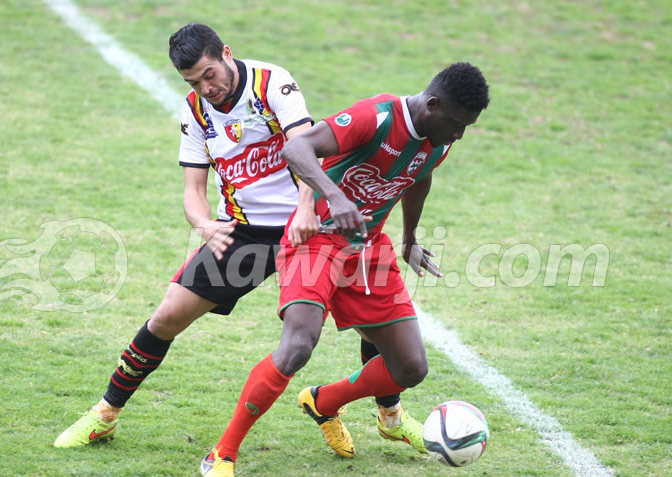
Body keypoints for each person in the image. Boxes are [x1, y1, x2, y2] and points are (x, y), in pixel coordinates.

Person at [53, 23, 424, 454]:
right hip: (243, 230)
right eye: (193, 81)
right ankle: (105, 415)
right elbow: (193, 190)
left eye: (209, 74)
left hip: (310, 227)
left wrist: (306, 209)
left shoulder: (273, 84)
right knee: (167, 317)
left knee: (373, 322)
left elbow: (305, 150)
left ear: (226, 53)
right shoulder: (195, 112)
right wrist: (204, 225)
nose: (206, 88)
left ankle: (391, 417)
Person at [200, 62, 490, 477]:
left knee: (410, 367)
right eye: (457, 123)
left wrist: (409, 238)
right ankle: (221, 455)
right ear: (433, 105)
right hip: (315, 239)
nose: (460, 134)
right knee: (298, 345)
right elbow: (296, 150)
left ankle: (323, 402)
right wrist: (333, 197)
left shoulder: (438, 139)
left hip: (368, 248)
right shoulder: (374, 117)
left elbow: (418, 178)